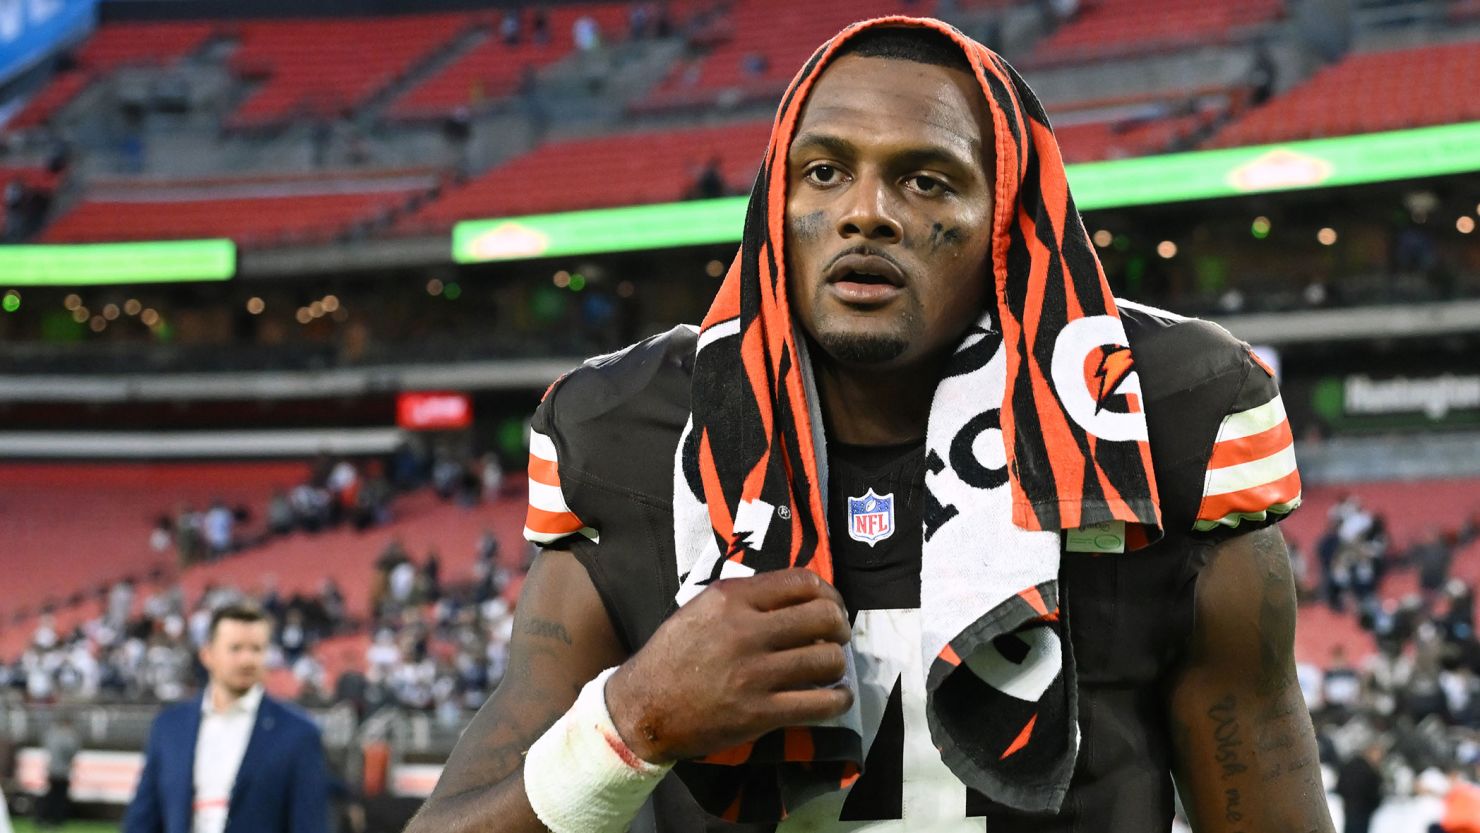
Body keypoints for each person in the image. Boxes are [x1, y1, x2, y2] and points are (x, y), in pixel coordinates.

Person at [407, 18, 1332, 833]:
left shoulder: (1159, 416)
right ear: (778, 203)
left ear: (1006, 222)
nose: (866, 213)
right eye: (824, 171)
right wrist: (631, 720)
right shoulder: (630, 437)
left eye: (927, 181)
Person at [123, 604, 329, 833]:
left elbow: (310, 825)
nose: (247, 660)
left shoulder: (297, 733)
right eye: (235, 648)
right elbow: (143, 820)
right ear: (207, 654)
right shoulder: (169, 727)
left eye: (257, 649)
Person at [38, 713, 80, 829]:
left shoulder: (52, 735)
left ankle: (43, 818)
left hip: (52, 769)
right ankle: (56, 819)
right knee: (59, 797)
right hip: (62, 771)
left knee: (51, 795)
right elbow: (71, 751)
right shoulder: (68, 737)